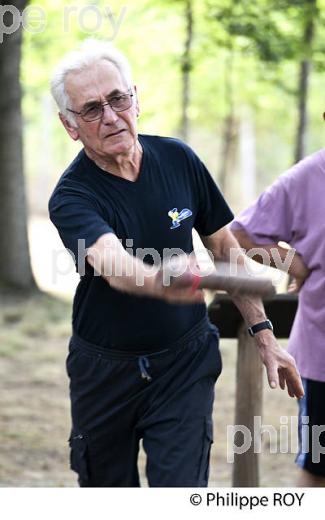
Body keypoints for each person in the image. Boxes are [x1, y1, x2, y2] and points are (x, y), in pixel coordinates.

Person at [49, 39, 303, 487]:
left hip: (184, 363)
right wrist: (165, 280)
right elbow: (113, 264)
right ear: (71, 126)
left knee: (182, 497)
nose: (110, 116)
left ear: (136, 99)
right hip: (104, 371)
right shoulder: (72, 196)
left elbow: (225, 250)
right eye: (91, 109)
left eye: (117, 99)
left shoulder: (179, 159)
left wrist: (263, 334)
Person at [231, 150, 325, 487]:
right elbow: (241, 234)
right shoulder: (307, 177)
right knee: (319, 472)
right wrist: (295, 264)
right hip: (322, 357)